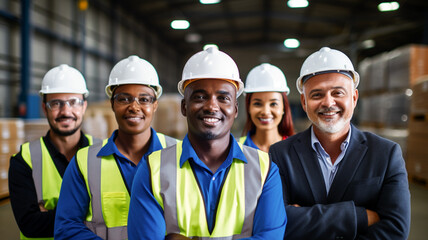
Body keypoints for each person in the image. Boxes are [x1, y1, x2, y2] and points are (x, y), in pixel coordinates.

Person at [128, 47, 286, 239]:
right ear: (184, 107)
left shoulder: (265, 170)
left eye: (223, 98)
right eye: (200, 97)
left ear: (235, 109)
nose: (212, 106)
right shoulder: (151, 170)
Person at [269, 47, 411, 239]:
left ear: (354, 98)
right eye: (317, 94)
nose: (328, 103)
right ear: (304, 102)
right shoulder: (280, 154)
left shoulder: (386, 154)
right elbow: (277, 223)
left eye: (338, 93)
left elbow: (395, 230)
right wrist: (358, 216)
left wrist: (303, 217)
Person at [54, 55, 178, 239]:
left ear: (155, 105)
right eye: (124, 99)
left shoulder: (179, 154)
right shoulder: (85, 161)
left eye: (144, 99)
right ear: (112, 104)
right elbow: (66, 227)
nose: (134, 107)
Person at [8, 64, 99, 239]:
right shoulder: (25, 160)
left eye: (73, 102)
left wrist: (52, 214)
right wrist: (88, 211)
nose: (66, 111)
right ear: (45, 108)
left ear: (84, 106)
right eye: (56, 103)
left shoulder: (104, 153)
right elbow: (31, 226)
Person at [239, 63, 295, 152]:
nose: (265, 111)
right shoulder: (236, 148)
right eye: (257, 104)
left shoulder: (296, 150)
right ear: (248, 107)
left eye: (273, 104)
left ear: (283, 108)